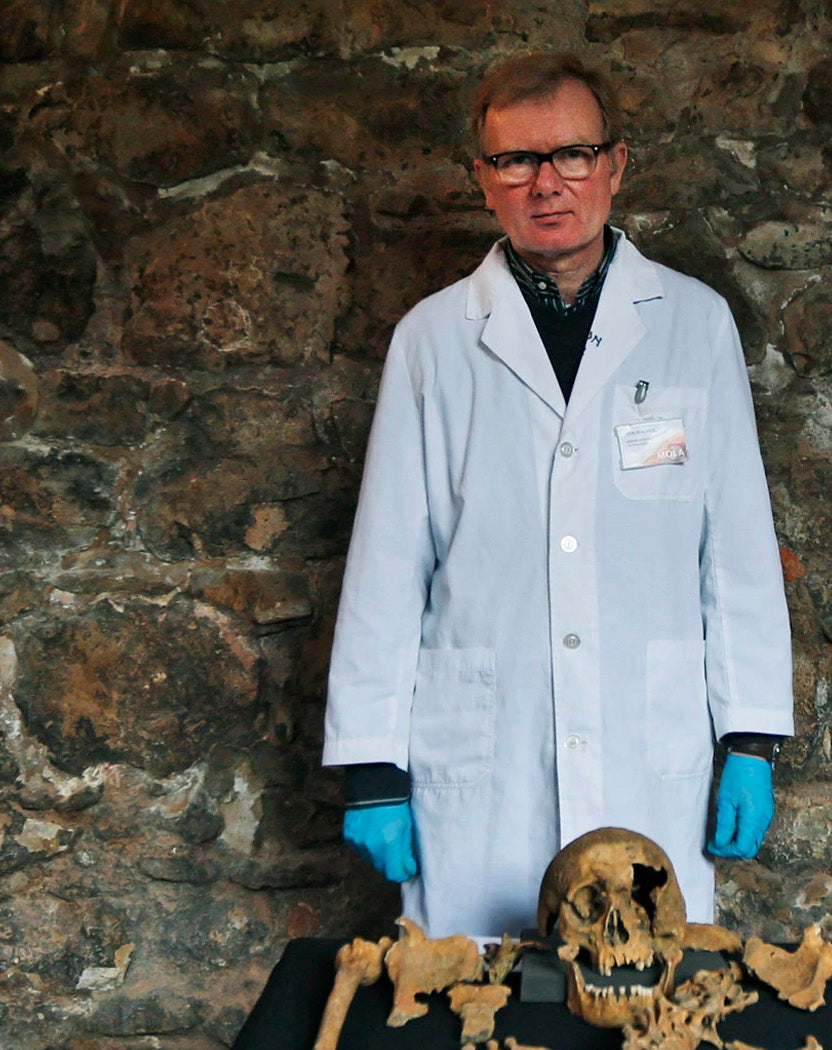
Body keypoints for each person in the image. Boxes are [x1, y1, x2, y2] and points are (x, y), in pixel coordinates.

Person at [321, 52, 793, 940]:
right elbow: (389, 560)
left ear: (615, 164)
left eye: (571, 155)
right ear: (483, 180)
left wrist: (751, 740)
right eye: (515, 161)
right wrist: (373, 769)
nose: (547, 184)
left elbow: (733, 545)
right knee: (476, 1014)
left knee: (640, 1005)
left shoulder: (693, 325)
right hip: (483, 761)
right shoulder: (434, 340)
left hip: (647, 760)